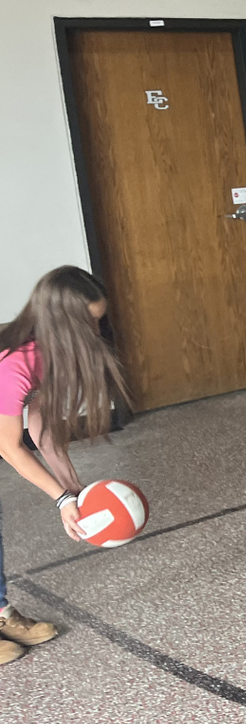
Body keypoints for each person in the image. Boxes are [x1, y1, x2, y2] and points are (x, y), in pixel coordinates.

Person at [0, 266, 129, 665]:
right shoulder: (14, 363)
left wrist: (76, 490)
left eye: (98, 320)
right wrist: (60, 500)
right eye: (88, 323)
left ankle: (1, 613)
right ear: (62, 322)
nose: (95, 332)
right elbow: (10, 447)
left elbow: (40, 428)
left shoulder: (48, 355)